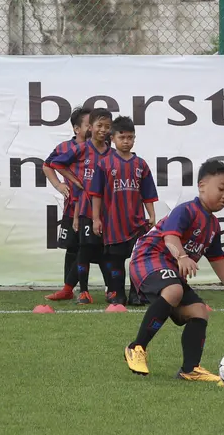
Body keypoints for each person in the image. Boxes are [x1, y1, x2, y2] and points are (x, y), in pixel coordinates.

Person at [124, 158, 224, 382]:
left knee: (199, 311)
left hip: (169, 269)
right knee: (174, 290)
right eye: (221, 189)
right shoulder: (187, 210)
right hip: (147, 258)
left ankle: (190, 369)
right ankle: (136, 347)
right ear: (201, 186)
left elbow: (216, 256)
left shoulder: (214, 225)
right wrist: (182, 256)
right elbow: (170, 236)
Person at [47, 108, 115, 304]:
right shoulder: (72, 148)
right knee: (80, 249)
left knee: (105, 251)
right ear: (85, 128)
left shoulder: (111, 151)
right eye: (96, 125)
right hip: (81, 206)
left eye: (106, 126)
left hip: (106, 210)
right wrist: (68, 183)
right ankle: (77, 290)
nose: (101, 129)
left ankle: (111, 289)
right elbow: (50, 165)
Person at [89, 116, 158, 306]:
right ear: (112, 138)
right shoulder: (104, 164)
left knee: (137, 260)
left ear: (134, 139)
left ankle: (136, 294)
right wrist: (96, 219)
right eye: (122, 137)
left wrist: (151, 215)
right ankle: (118, 294)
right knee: (116, 261)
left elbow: (148, 193)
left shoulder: (141, 165)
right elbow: (96, 194)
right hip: (113, 223)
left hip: (137, 222)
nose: (126, 141)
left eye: (130, 137)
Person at [42, 107, 91, 302]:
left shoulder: (100, 148)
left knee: (91, 248)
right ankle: (68, 288)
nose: (93, 129)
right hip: (72, 208)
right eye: (89, 125)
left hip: (93, 210)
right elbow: (47, 165)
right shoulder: (64, 148)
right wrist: (58, 184)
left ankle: (101, 288)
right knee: (72, 248)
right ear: (76, 129)